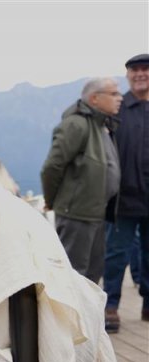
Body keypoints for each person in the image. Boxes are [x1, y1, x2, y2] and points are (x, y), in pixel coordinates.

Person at [41, 77, 122, 283]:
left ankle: (88, 315)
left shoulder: (102, 125)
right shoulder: (76, 125)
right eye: (113, 94)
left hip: (96, 213)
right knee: (73, 275)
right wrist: (53, 201)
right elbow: (52, 167)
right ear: (94, 98)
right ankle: (70, 316)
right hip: (76, 214)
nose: (119, 98)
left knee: (92, 275)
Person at [103, 53, 149, 332]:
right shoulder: (117, 110)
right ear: (128, 75)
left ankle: (148, 304)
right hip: (123, 199)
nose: (140, 74)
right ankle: (110, 306)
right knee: (116, 254)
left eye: (145, 69)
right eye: (135, 70)